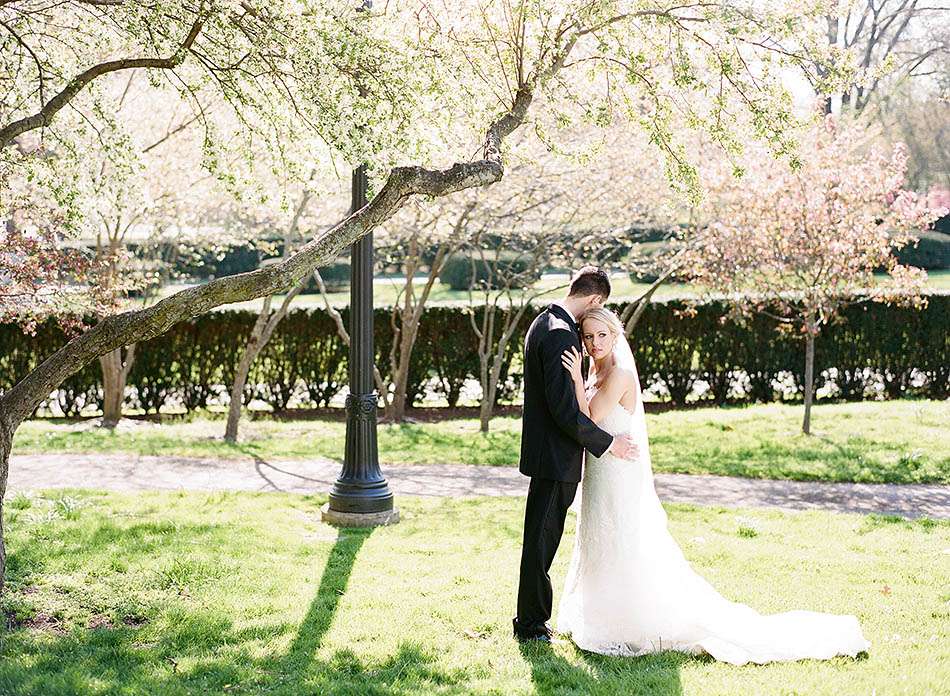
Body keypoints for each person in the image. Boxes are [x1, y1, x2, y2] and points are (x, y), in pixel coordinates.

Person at [555, 307, 871, 664]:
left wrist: (574, 380)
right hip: (601, 469)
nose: (595, 343)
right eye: (588, 336)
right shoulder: (597, 369)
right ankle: (601, 615)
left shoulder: (619, 375)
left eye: (602, 335)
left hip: (617, 473)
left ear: (616, 336)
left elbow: (590, 418)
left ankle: (628, 621)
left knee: (620, 539)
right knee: (599, 537)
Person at [512, 267, 639, 643]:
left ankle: (531, 619)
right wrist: (607, 442)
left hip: (548, 455)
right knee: (541, 541)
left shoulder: (545, 321)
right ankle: (532, 625)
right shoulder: (561, 336)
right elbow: (565, 412)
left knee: (540, 538)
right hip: (556, 457)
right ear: (595, 300)